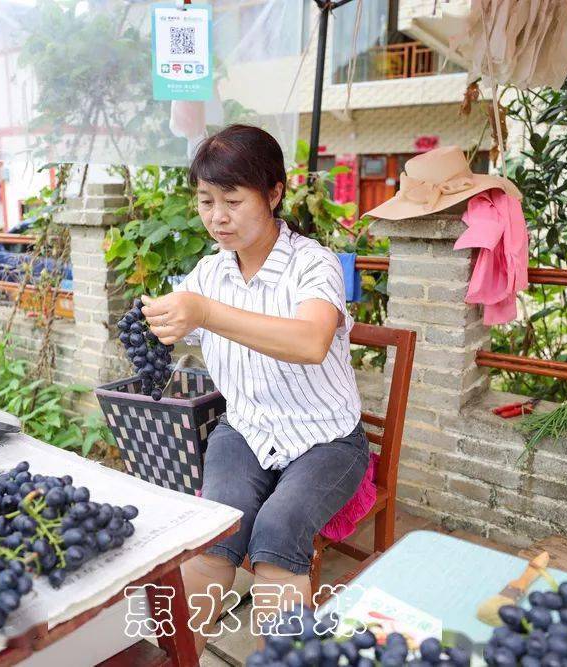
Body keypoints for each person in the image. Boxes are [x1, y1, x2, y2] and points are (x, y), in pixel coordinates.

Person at [142, 124, 368, 655]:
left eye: (232, 200)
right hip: (244, 431)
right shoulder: (208, 273)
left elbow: (311, 341)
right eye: (206, 201)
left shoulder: (313, 265)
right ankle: (177, 660)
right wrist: (162, 322)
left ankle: (288, 660)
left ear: (273, 193)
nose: (217, 217)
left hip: (326, 440)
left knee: (278, 531)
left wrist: (205, 312)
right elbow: (180, 329)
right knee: (215, 530)